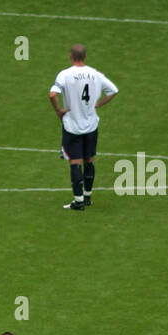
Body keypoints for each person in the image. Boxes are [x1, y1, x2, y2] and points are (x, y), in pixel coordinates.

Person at [49, 43, 118, 210]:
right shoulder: (95, 74)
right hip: (91, 125)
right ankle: (87, 197)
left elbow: (52, 94)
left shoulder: (65, 74)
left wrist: (59, 110)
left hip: (72, 125)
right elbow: (113, 90)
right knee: (90, 160)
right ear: (85, 57)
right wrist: (99, 104)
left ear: (71, 57)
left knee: (75, 162)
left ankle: (78, 201)